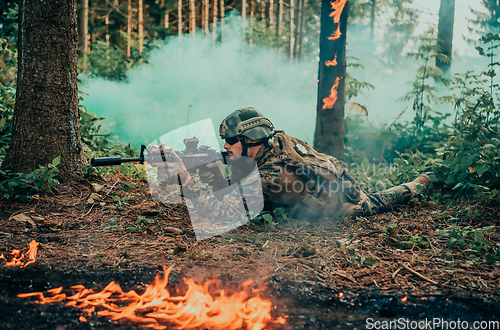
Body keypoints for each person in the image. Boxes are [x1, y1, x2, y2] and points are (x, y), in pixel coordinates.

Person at [154, 107, 430, 222]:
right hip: (326, 185)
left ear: (250, 140)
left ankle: (417, 184)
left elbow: (218, 213)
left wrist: (186, 180)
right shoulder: (265, 153)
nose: (225, 145)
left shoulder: (271, 179)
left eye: (230, 140)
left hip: (344, 203)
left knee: (377, 201)